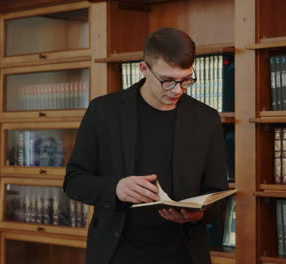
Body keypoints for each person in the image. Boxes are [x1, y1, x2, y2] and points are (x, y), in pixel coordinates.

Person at [64, 27, 228, 264]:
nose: (178, 90)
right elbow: (74, 181)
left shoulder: (206, 119)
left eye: (186, 80)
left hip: (183, 252)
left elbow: (217, 194)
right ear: (143, 69)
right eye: (168, 81)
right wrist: (116, 188)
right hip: (117, 252)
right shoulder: (104, 111)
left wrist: (197, 214)